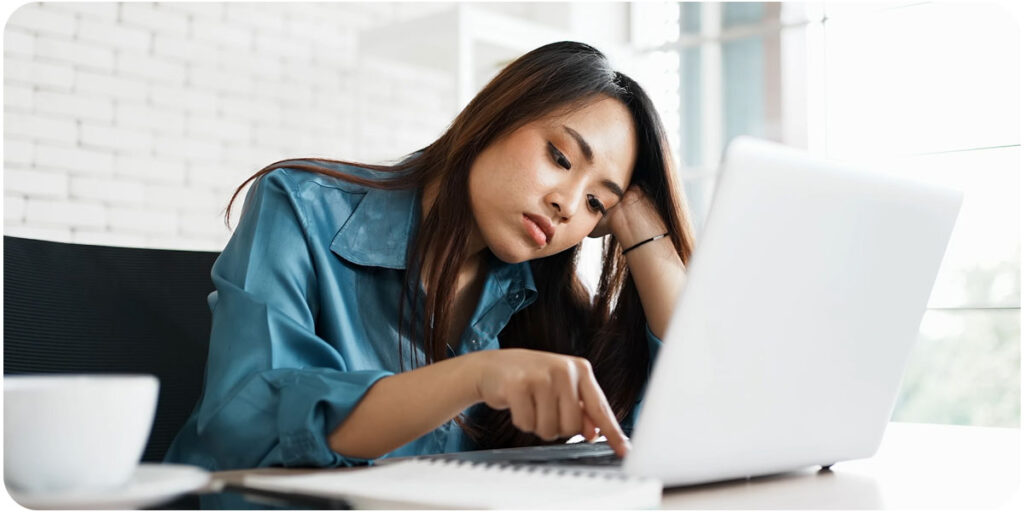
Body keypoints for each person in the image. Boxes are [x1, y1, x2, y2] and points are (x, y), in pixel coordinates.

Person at [165, 41, 694, 483]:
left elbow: (684, 424)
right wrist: (476, 375)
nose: (568, 204)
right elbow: (245, 421)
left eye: (598, 203)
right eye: (559, 157)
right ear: (497, 113)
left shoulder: (542, 301)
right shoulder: (301, 207)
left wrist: (645, 231)